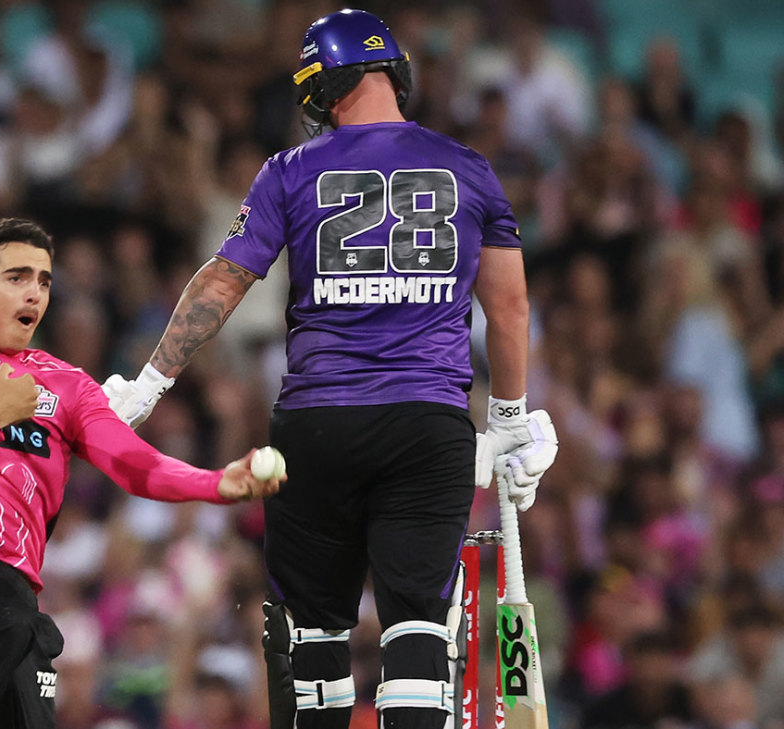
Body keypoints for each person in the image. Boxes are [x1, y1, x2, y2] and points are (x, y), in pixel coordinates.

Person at [102, 9, 558, 729]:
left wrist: (149, 382)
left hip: (317, 423)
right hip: (427, 425)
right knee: (417, 628)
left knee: (313, 635)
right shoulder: (469, 167)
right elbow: (509, 308)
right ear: (395, 74)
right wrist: (507, 419)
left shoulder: (290, 169)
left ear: (322, 89)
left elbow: (223, 281)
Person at [0, 218, 281, 729]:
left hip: (16, 596)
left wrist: (215, 483)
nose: (34, 293)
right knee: (4, 624)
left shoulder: (68, 386)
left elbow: (135, 464)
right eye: (17, 277)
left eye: (43, 281)